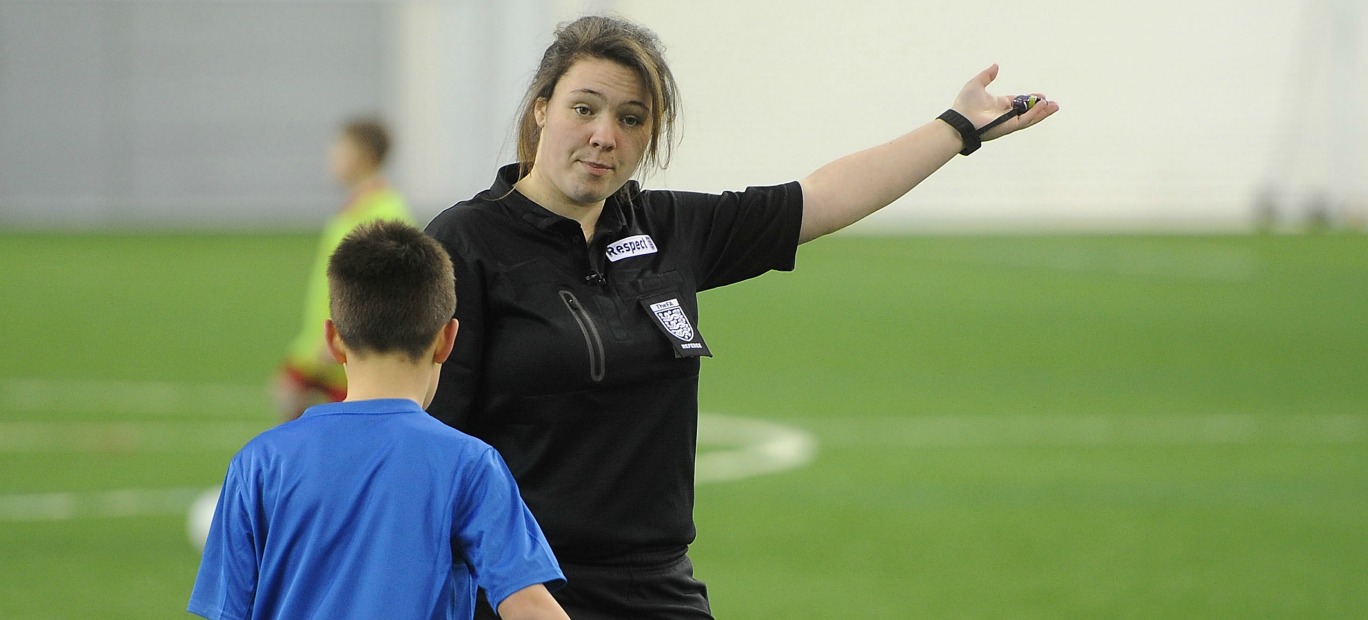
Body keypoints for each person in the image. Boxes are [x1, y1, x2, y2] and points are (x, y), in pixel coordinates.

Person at [424, 15, 1059, 619]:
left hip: (656, 585)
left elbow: (821, 197)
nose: (604, 135)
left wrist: (957, 127)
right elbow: (429, 439)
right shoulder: (465, 242)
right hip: (520, 588)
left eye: (631, 118)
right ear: (542, 109)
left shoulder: (669, 228)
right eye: (583, 108)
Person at [189, 221, 570, 620]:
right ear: (447, 340)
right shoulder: (469, 464)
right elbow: (528, 606)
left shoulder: (259, 463)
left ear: (334, 339)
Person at [272, 117, 415, 421]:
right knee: (288, 399)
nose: (331, 156)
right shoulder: (354, 208)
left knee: (327, 424)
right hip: (321, 339)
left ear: (365, 157)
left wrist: (348, 336)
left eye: (341, 149)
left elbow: (387, 287)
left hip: (347, 344)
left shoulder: (385, 212)